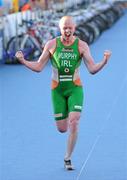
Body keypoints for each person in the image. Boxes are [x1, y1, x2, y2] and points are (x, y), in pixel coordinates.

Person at [15, 16, 111, 170]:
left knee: (74, 121)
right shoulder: (52, 44)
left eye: (70, 28)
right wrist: (24, 61)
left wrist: (104, 61)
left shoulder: (82, 46)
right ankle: (65, 116)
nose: (67, 30)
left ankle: (68, 157)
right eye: (64, 28)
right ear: (60, 29)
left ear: (74, 28)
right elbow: (39, 66)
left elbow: (92, 69)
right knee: (62, 129)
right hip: (57, 90)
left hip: (75, 88)